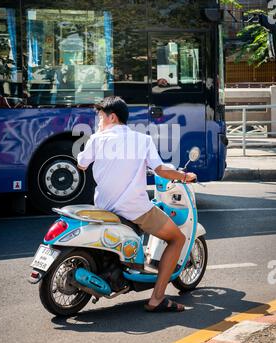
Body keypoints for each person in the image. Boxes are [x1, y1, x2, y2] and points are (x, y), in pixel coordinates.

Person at [77, 96, 197, 312]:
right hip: (134, 209)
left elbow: (82, 165)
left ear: (112, 117)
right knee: (177, 238)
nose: (98, 122)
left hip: (103, 208)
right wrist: (184, 175)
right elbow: (160, 170)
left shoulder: (96, 139)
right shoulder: (142, 140)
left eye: (100, 117)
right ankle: (157, 298)